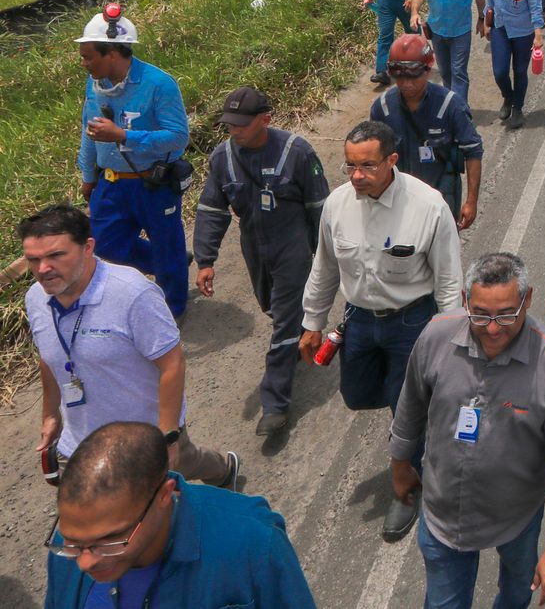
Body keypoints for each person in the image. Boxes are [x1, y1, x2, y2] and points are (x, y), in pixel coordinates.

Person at [390, 252, 545, 609]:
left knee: (517, 594)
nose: (494, 328)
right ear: (466, 300)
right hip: (442, 514)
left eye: (506, 314)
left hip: (516, 515)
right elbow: (410, 403)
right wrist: (399, 463)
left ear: (527, 299)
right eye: (481, 314)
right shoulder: (436, 335)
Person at [300, 120, 462, 541]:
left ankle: (408, 486)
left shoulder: (428, 206)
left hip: (412, 322)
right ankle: (415, 432)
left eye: (367, 166)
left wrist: (452, 338)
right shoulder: (337, 205)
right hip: (360, 319)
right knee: (355, 395)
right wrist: (312, 321)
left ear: (392, 160)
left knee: (403, 406)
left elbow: (448, 280)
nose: (356, 176)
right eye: (350, 166)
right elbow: (325, 266)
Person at [21, 204, 237, 486]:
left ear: (88, 247)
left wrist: (169, 436)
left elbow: (172, 362)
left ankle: (223, 471)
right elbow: (49, 358)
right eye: (33, 260)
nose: (43, 269)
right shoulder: (36, 298)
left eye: (56, 255)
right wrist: (51, 415)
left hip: (147, 434)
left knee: (183, 466)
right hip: (82, 441)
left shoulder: (133, 294)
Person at [42, 422, 316, 609]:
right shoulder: (70, 549)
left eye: (110, 538)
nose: (85, 562)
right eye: (73, 542)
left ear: (164, 496)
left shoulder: (254, 544)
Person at [194, 87, 330, 436]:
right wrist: (206, 260)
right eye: (230, 124)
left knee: (282, 322)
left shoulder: (296, 152)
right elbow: (212, 208)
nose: (234, 130)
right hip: (253, 245)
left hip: (292, 244)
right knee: (270, 305)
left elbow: (320, 209)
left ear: (265, 119)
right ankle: (302, 331)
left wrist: (325, 257)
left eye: (241, 124)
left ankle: (275, 403)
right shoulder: (222, 157)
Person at [75, 6, 191, 319]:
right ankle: (170, 263)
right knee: (105, 244)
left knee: (167, 245)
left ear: (112, 52)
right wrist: (88, 175)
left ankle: (174, 309)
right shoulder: (94, 84)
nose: (84, 64)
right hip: (111, 182)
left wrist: (124, 135)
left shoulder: (158, 84)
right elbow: (89, 131)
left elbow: (178, 137)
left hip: (153, 184)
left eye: (89, 57)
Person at [370, 35, 484, 229]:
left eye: (413, 75)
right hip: (398, 195)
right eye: (399, 76)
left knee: (441, 252)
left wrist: (471, 201)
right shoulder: (382, 108)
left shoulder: (451, 105)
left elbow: (473, 151)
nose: (406, 83)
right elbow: (372, 155)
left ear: (428, 70)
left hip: (441, 193)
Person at [484, 0, 545, 130]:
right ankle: (507, 97)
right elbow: (490, 2)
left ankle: (517, 108)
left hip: (523, 32)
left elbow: (536, 7)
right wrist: (486, 23)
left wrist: (538, 33)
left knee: (520, 70)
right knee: (500, 72)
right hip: (500, 28)